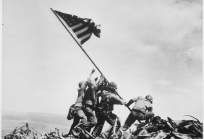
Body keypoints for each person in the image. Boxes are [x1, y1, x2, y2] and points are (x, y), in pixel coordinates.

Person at [63, 69, 98, 138]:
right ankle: (79, 131)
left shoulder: (82, 91)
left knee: (75, 122)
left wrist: (95, 80)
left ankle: (70, 134)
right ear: (82, 85)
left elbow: (90, 85)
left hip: (76, 108)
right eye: (84, 84)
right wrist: (91, 73)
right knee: (84, 118)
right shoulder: (81, 90)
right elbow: (87, 81)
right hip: (78, 108)